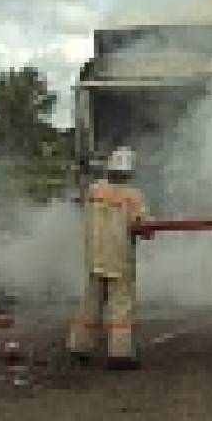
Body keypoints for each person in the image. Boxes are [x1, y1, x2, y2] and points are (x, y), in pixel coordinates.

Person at [67, 146, 153, 370]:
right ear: (129, 171)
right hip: (119, 258)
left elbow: (85, 211)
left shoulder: (94, 190)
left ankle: (79, 347)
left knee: (91, 303)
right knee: (121, 305)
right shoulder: (132, 196)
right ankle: (120, 355)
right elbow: (143, 226)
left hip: (95, 256)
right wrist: (148, 230)